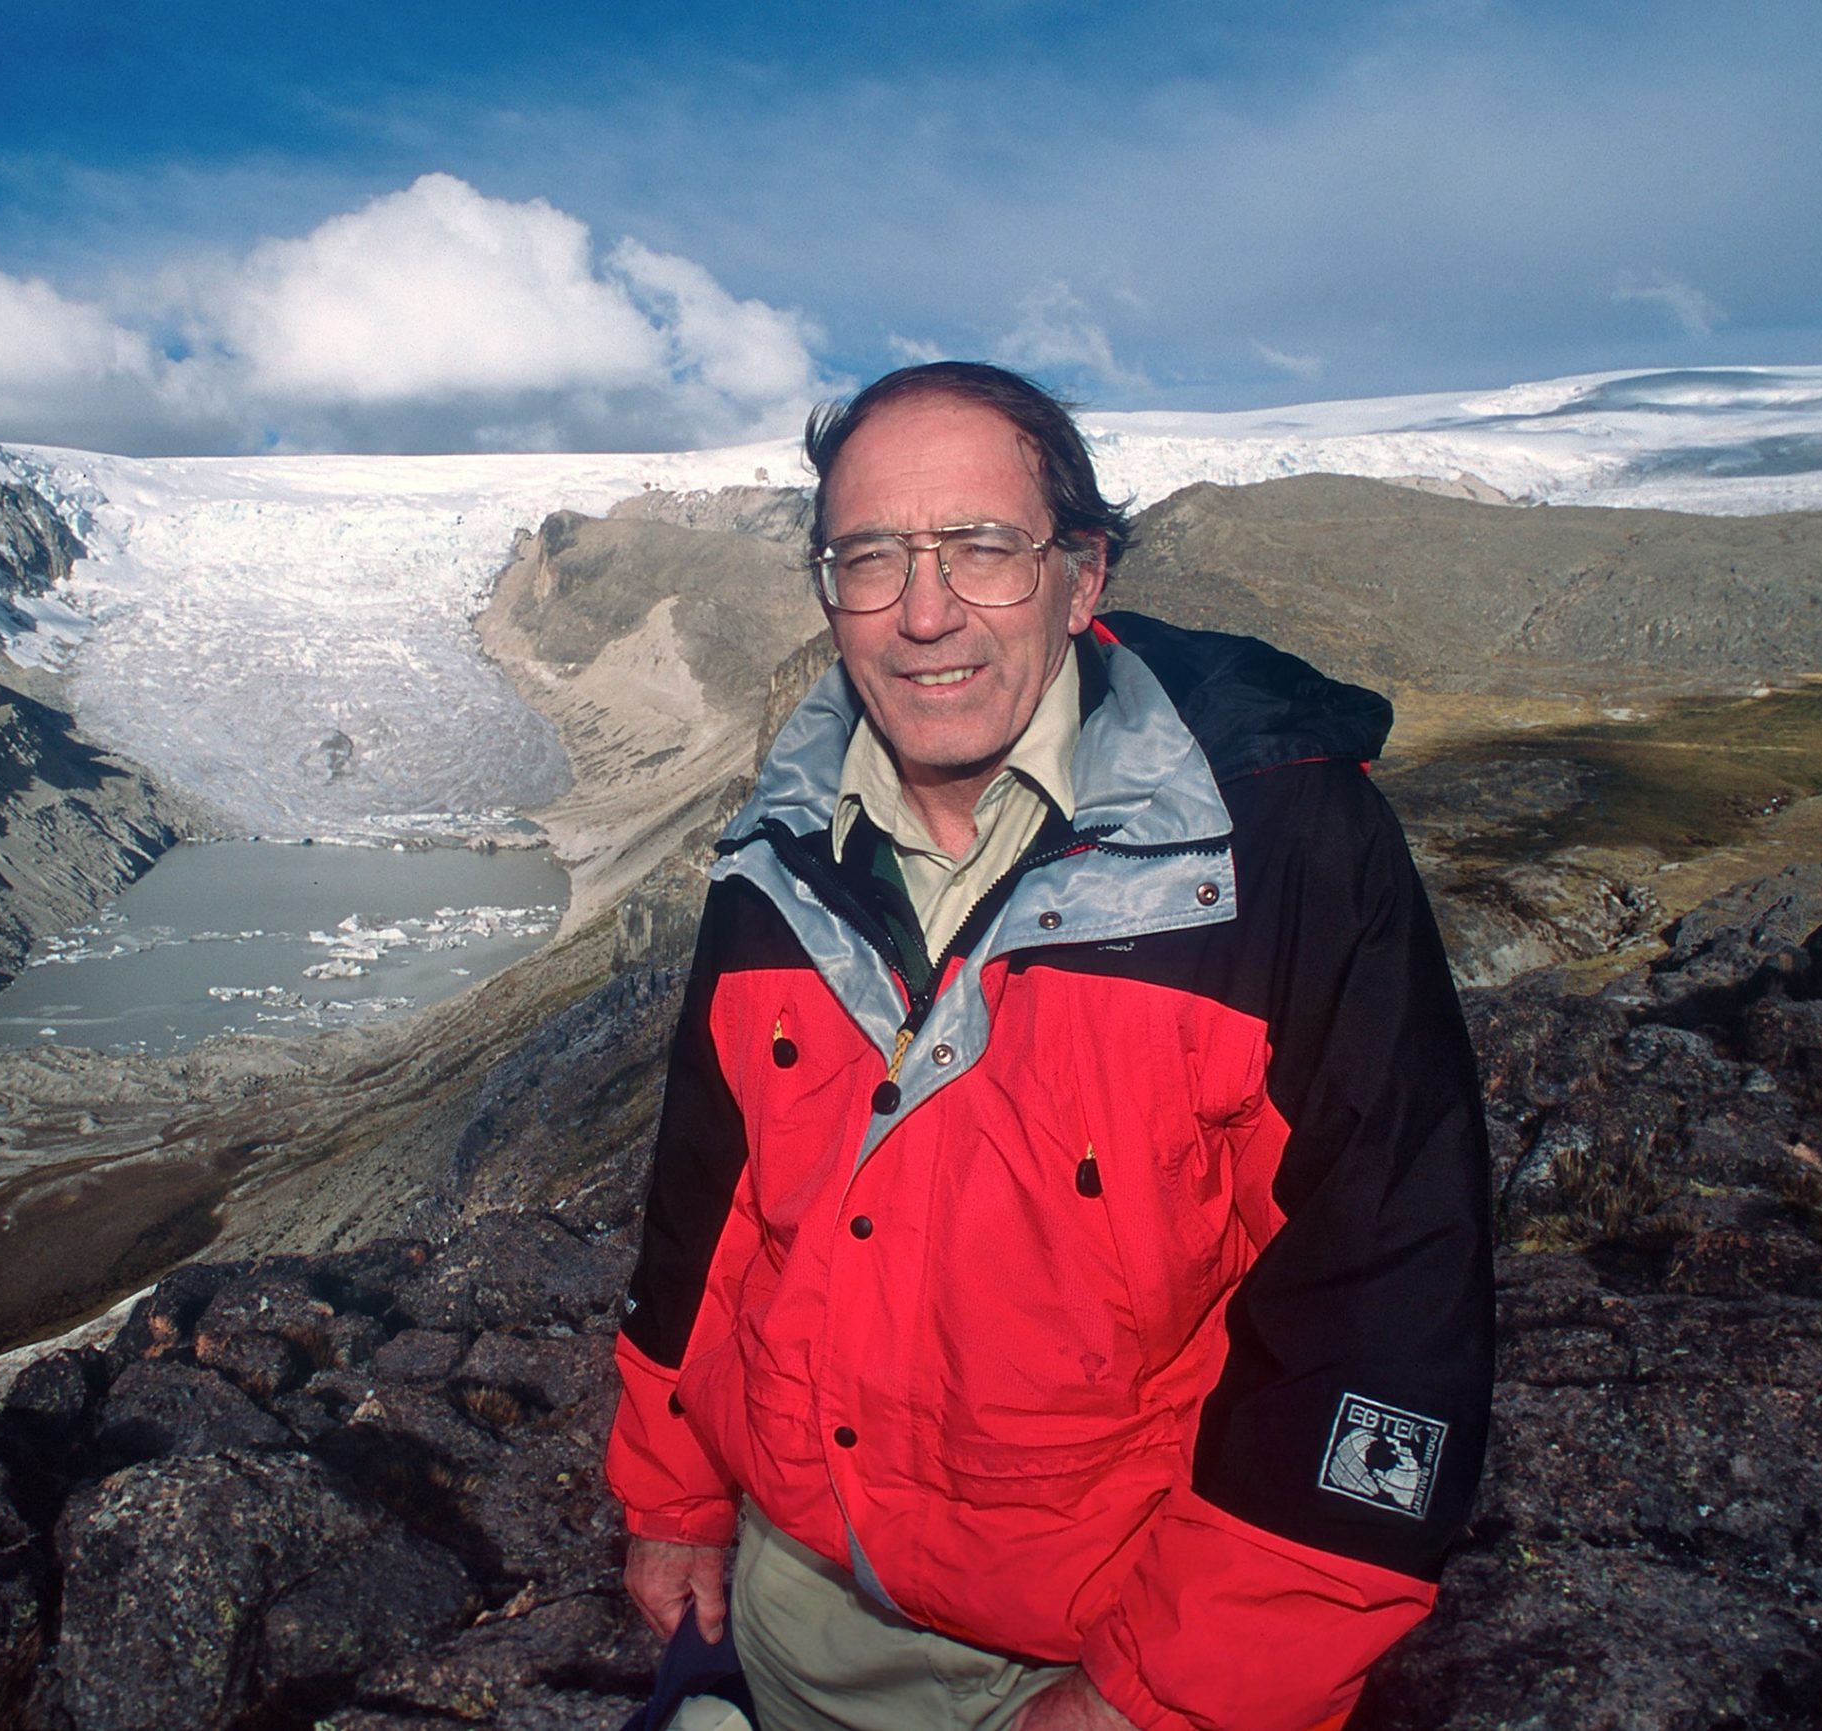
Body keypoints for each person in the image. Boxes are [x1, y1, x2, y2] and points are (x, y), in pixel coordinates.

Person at [605, 362, 1493, 1731]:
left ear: (1081, 580)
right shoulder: (775, 855)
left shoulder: (1280, 855)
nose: (923, 612)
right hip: (795, 1626)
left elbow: (1380, 1300)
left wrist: (1158, 1698)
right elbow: (705, 1207)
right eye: (872, 557)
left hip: (1097, 1654)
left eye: (981, 550)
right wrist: (672, 1499)